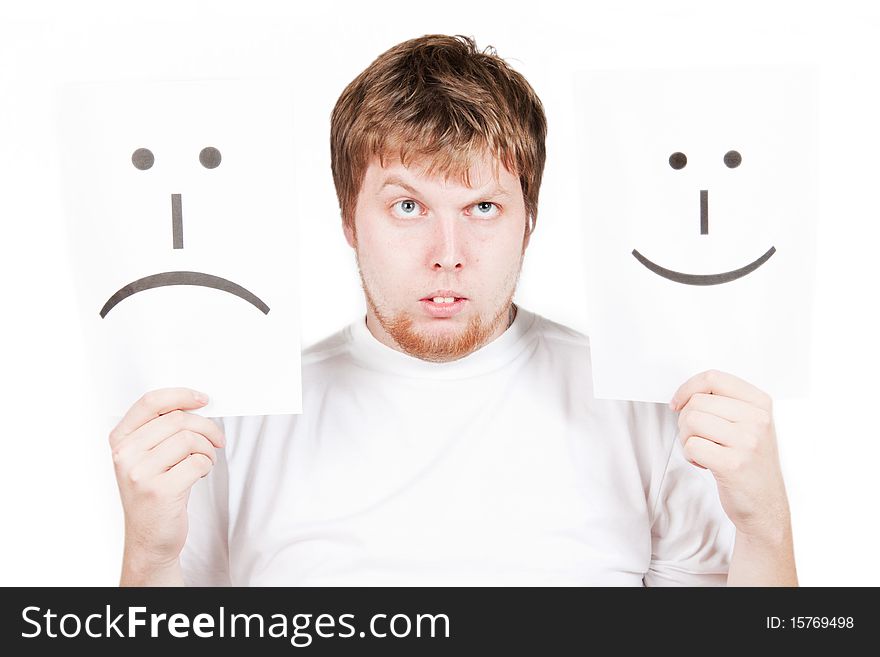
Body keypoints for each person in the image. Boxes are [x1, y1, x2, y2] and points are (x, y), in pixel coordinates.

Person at [108, 34, 797, 586]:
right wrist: (148, 556)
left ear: (530, 220)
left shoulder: (648, 406)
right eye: (408, 206)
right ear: (350, 218)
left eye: (483, 207)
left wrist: (765, 527)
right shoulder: (237, 420)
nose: (448, 252)